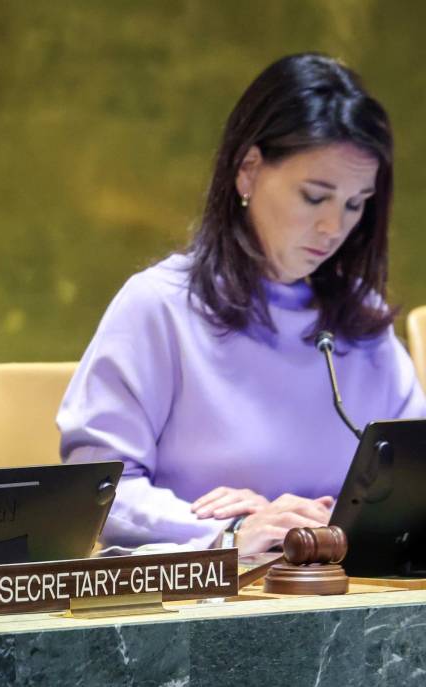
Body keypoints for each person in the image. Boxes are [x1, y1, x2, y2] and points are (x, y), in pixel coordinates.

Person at [58, 53, 426, 555]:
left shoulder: (363, 323)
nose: (333, 228)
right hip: (198, 612)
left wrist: (320, 524)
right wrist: (229, 531)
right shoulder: (160, 308)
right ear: (248, 171)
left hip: (341, 600)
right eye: (315, 197)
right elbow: (94, 494)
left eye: (355, 204)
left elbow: (413, 483)